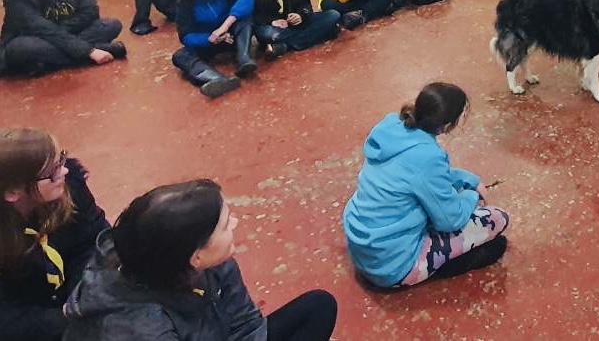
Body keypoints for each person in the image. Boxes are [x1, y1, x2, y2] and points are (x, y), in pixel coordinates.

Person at [63, 179, 337, 340]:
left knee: (319, 307)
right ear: (195, 256)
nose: (236, 224)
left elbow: (247, 323)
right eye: (225, 224)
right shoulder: (141, 328)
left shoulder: (211, 258)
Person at [343, 82, 509, 288]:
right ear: (448, 125)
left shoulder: (391, 126)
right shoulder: (429, 157)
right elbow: (451, 220)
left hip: (366, 246)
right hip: (393, 267)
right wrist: (471, 196)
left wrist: (469, 180)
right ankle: (435, 265)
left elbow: (422, 175)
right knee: (498, 218)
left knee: (437, 198)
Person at [0, 128, 109, 341]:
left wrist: (82, 297)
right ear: (13, 192)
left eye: (61, 160)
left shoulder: (70, 184)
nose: (64, 172)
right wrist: (63, 318)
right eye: (51, 173)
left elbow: (94, 239)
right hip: (28, 319)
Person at [170, 0, 255, 98]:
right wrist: (209, 38)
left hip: (232, 35)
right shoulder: (184, 5)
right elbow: (186, 36)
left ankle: (244, 58)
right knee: (180, 56)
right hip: (211, 42)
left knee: (244, 18)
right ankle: (217, 79)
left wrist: (226, 25)